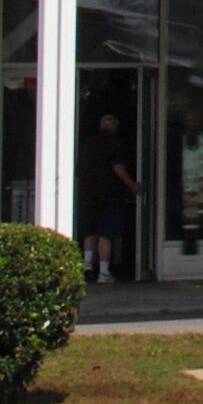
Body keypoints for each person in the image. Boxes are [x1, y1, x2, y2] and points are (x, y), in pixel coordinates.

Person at [77, 110, 138, 284]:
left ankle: (87, 266)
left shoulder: (88, 143)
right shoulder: (115, 143)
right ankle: (103, 273)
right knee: (106, 234)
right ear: (115, 127)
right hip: (109, 196)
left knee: (89, 232)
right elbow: (117, 166)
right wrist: (132, 185)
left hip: (87, 195)